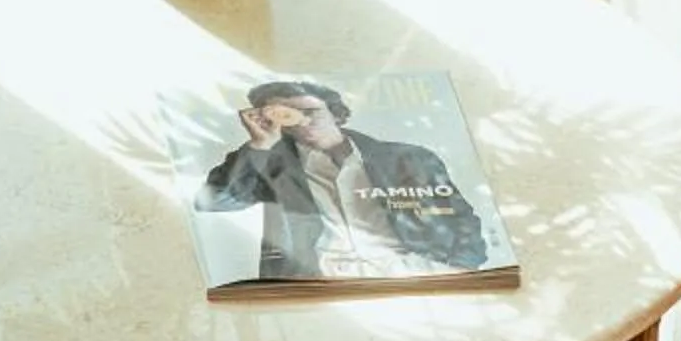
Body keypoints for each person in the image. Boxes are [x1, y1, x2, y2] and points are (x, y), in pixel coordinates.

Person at [197, 77, 487, 283]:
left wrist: (461, 269)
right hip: (320, 287)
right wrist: (260, 144)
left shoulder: (408, 158)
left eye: (310, 112)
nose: (303, 121)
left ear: (336, 114)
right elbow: (212, 201)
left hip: (416, 276)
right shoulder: (271, 163)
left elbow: (460, 219)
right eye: (287, 115)